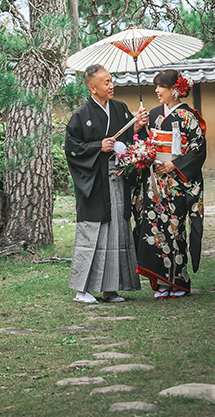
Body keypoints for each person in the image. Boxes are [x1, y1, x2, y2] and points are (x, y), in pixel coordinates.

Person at [65, 64, 148, 304]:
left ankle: (111, 289)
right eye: (106, 82)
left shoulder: (121, 108)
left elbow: (130, 139)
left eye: (111, 81)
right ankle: (83, 290)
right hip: (95, 181)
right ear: (92, 88)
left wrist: (138, 127)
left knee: (117, 232)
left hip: (118, 178)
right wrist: (97, 146)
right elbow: (72, 149)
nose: (111, 85)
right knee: (93, 233)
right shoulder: (81, 116)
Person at [133, 69, 206, 299]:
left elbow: (198, 148)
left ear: (174, 89)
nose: (156, 91)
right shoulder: (153, 114)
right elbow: (145, 144)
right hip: (155, 181)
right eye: (156, 87)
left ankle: (179, 280)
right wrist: (144, 149)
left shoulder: (188, 116)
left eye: (160, 87)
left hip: (176, 181)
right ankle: (162, 282)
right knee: (155, 229)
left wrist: (175, 166)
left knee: (175, 229)